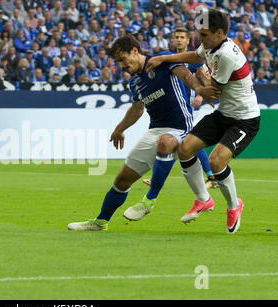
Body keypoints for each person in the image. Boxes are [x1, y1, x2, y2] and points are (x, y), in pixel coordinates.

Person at [68, 34, 217, 231]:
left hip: (182, 127)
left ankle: (149, 200)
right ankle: (100, 222)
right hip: (155, 129)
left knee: (165, 142)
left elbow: (185, 75)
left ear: (135, 51)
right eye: (118, 62)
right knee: (122, 179)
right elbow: (138, 109)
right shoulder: (135, 82)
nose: (121, 65)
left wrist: (200, 89)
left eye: (123, 59)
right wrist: (119, 129)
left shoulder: (161, 60)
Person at [146, 9, 260, 234]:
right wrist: (164, 57)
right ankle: (203, 199)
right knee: (185, 148)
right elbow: (194, 56)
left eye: (205, 35)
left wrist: (200, 78)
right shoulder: (211, 46)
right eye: (199, 34)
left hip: (244, 120)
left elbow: (212, 92)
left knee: (217, 162)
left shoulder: (226, 55)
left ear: (219, 33)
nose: (201, 39)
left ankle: (234, 205)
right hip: (224, 114)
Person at [143, 27, 219, 190]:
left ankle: (211, 176)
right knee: (176, 141)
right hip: (174, 108)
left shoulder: (195, 60)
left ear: (187, 41)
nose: (178, 39)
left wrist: (199, 96)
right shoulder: (169, 59)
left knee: (189, 141)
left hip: (189, 109)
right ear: (172, 40)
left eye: (182, 37)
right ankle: (210, 176)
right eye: (176, 37)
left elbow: (206, 78)